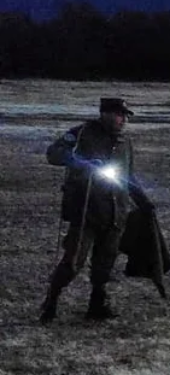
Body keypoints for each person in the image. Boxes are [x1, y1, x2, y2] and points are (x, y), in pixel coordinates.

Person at [40, 97, 154, 323]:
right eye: (119, 115)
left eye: (125, 116)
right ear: (105, 114)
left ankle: (97, 304)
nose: (123, 120)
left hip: (115, 212)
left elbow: (129, 176)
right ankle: (51, 301)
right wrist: (83, 164)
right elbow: (54, 153)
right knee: (73, 262)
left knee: (105, 263)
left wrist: (144, 202)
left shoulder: (125, 142)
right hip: (87, 211)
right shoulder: (82, 133)